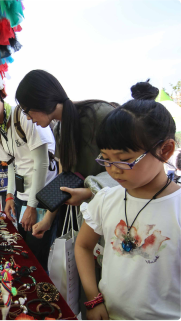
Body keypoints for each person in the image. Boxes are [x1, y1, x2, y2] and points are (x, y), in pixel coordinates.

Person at [74, 96, 181, 320]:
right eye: (105, 159)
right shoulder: (106, 199)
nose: (113, 170)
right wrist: (93, 299)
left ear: (166, 150)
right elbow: (83, 246)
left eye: (124, 160)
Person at [0, 80, 57, 271]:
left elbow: (42, 162)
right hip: (25, 198)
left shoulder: (24, 116)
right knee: (26, 250)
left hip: (46, 197)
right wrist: (9, 196)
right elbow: (11, 165)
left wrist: (32, 206)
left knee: (41, 256)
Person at [15, 70, 115, 239]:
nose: (29, 119)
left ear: (42, 100)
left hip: (113, 214)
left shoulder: (100, 115)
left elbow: (125, 169)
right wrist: (47, 219)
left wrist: (89, 192)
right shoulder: (60, 130)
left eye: (27, 111)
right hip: (89, 218)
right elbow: (63, 177)